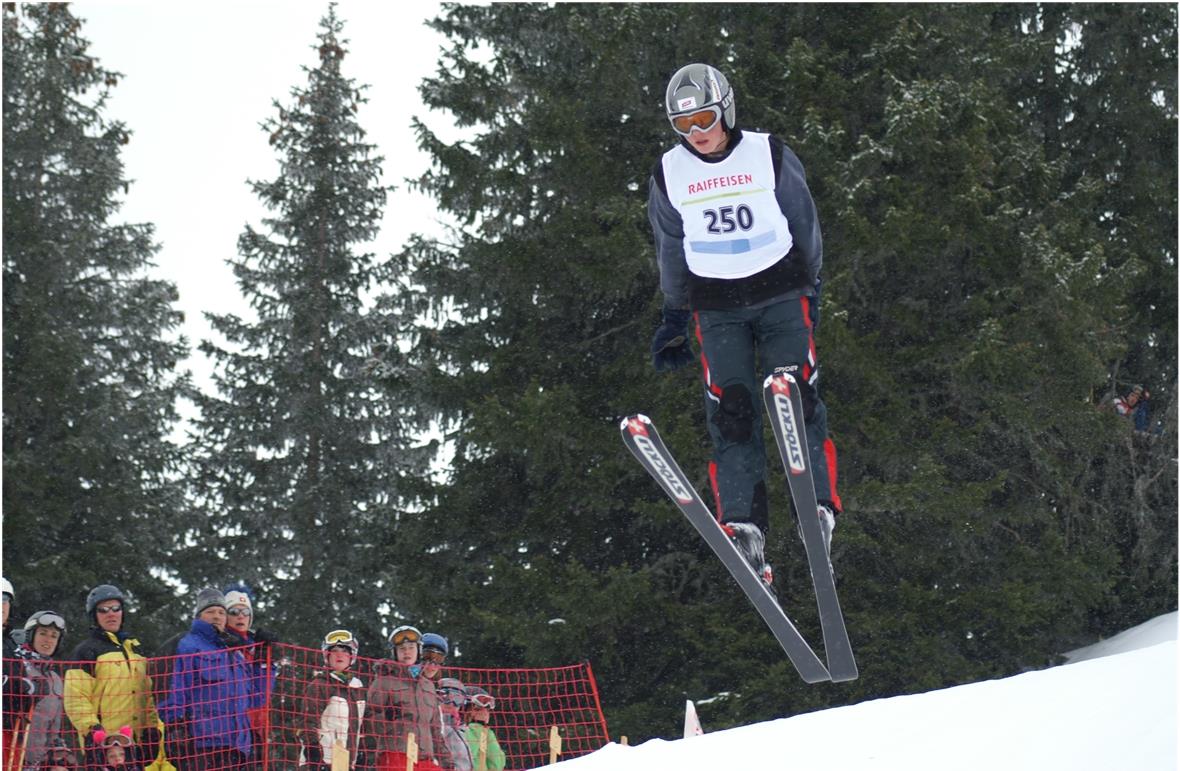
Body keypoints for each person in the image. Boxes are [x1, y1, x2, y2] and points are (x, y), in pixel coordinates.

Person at [646, 62, 842, 585]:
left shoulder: (767, 152)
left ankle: (818, 509)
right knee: (731, 413)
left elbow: (804, 219)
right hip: (717, 306)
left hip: (780, 292)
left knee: (797, 396)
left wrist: (813, 284)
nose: (698, 134)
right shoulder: (670, 172)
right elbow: (670, 245)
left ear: (726, 109)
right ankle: (745, 526)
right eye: (684, 126)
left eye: (705, 119)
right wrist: (673, 315)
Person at [157, 588, 273, 771]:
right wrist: (174, 726)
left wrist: (263, 663)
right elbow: (176, 688)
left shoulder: (234, 653)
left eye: (221, 612)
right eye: (210, 612)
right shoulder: (189, 645)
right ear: (199, 616)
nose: (217, 616)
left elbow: (257, 698)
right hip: (203, 744)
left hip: (237, 746)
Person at [63, 586, 160, 751]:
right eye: (103, 610)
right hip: (104, 743)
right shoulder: (86, 651)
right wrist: (92, 729)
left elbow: (147, 695)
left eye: (116, 608)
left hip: (135, 744)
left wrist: (151, 727)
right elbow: (76, 698)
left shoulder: (135, 650)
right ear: (95, 616)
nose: (111, 614)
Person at [362, 625, 445, 771]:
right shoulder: (384, 682)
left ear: (419, 650)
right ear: (395, 653)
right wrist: (388, 718)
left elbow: (436, 731)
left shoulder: (428, 686)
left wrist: (447, 762)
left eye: (411, 647)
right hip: (395, 755)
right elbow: (369, 722)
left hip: (425, 758)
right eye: (402, 648)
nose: (407, 652)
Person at [4, 611, 69, 771]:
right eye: (43, 633)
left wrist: (57, 754)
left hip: (36, 763)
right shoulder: (16, 666)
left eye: (54, 636)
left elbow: (54, 728)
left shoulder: (55, 679)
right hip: (9, 753)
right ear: (30, 635)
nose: (48, 639)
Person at [299, 630, 365, 771]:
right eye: (334, 651)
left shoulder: (358, 687)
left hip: (347, 763)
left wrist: (362, 752)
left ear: (352, 656)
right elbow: (307, 721)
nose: (339, 654)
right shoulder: (320, 685)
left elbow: (364, 726)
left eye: (344, 651)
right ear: (327, 656)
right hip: (322, 762)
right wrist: (313, 751)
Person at [461, 687, 504, 771]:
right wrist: (476, 726)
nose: (484, 713)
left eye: (487, 710)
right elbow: (465, 757)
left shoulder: (485, 733)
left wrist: (481, 728)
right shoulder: (458, 731)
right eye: (477, 709)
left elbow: (497, 765)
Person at [434, 678, 472, 771]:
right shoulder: (432, 725)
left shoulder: (462, 730)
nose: (452, 703)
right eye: (445, 696)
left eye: (457, 699)